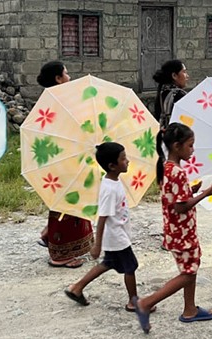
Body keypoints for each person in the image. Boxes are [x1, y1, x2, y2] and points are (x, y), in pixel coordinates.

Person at [132, 123, 212, 334]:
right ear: (176, 146)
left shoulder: (166, 168)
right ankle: (146, 303)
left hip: (174, 230)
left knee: (190, 267)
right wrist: (203, 194)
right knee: (189, 274)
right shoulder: (178, 172)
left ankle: (190, 309)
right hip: (183, 231)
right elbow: (181, 206)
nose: (192, 150)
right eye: (190, 145)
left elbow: (175, 197)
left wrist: (192, 189)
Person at [64, 142, 154, 313]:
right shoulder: (109, 189)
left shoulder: (114, 181)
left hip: (118, 233)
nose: (127, 161)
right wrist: (97, 245)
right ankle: (133, 302)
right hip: (116, 236)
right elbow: (102, 217)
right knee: (130, 266)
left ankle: (77, 287)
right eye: (123, 159)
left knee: (108, 263)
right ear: (112, 166)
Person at [35, 61, 94, 268]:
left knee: (63, 202)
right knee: (67, 204)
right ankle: (61, 254)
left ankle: (49, 235)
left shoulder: (51, 101)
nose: (69, 77)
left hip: (59, 159)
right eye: (66, 73)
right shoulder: (60, 103)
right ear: (58, 79)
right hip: (65, 159)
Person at [152, 60, 189, 130]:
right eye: (184, 72)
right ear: (174, 76)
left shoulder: (162, 92)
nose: (187, 76)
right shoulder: (179, 95)